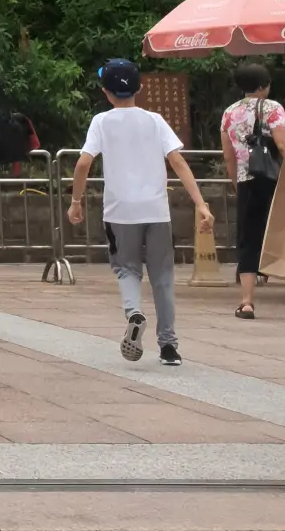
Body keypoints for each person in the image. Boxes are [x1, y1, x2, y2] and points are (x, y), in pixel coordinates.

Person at [68, 57, 215, 366]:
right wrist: (200, 203)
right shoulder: (155, 120)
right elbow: (177, 161)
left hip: (120, 211)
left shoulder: (101, 122)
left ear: (106, 92)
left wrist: (76, 201)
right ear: (140, 88)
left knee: (126, 268)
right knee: (163, 277)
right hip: (157, 210)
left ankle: (134, 312)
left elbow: (83, 162)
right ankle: (169, 347)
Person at [221, 62, 285, 318]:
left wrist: (236, 182)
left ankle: (247, 302)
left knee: (248, 238)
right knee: (284, 231)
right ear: (263, 86)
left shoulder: (229, 113)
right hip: (276, 181)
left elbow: (229, 156)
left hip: (247, 181)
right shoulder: (273, 108)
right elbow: (283, 145)